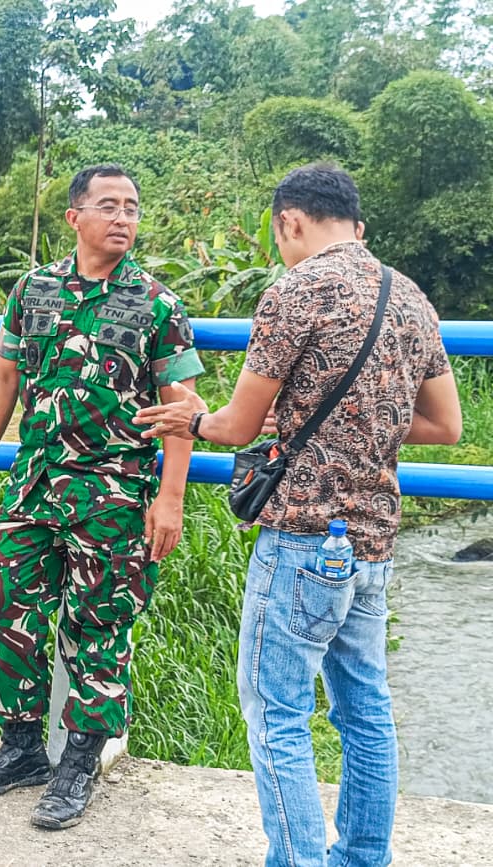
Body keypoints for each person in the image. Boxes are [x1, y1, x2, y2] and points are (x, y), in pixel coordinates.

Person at [134, 163, 462, 866]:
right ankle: (362, 857)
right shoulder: (411, 297)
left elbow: (239, 425)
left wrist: (193, 418)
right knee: (365, 712)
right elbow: (445, 426)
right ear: (357, 223)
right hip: (373, 539)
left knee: (276, 709)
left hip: (302, 536)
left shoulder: (295, 291)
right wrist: (362, 425)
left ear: (290, 221)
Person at [0, 164, 204, 829]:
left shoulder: (155, 302)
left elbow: (180, 408)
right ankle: (22, 746)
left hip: (113, 495)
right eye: (109, 205)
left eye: (133, 208)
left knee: (99, 628)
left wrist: (170, 498)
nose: (123, 218)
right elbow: (4, 373)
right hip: (33, 486)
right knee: (4, 608)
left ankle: (79, 761)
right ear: (75, 217)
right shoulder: (33, 289)